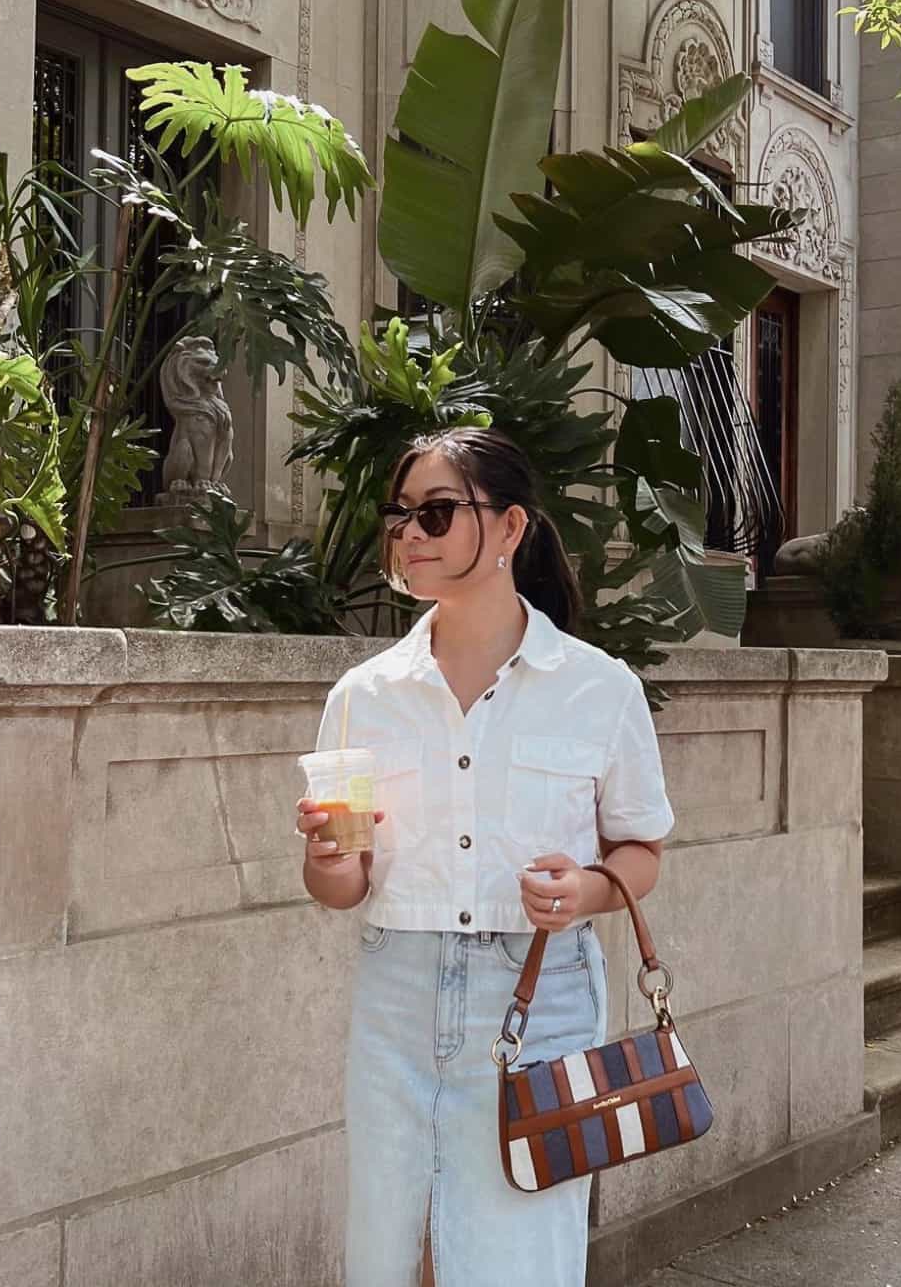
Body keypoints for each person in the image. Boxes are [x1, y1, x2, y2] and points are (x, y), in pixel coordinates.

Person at [295, 427, 674, 1287]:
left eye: (436, 512)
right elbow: (345, 887)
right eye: (400, 516)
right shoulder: (364, 696)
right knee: (389, 1246)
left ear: (509, 529)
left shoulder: (597, 687)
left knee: (519, 1254)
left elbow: (642, 850)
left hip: (540, 999)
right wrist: (325, 854)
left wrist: (585, 888)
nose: (410, 534)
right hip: (398, 992)